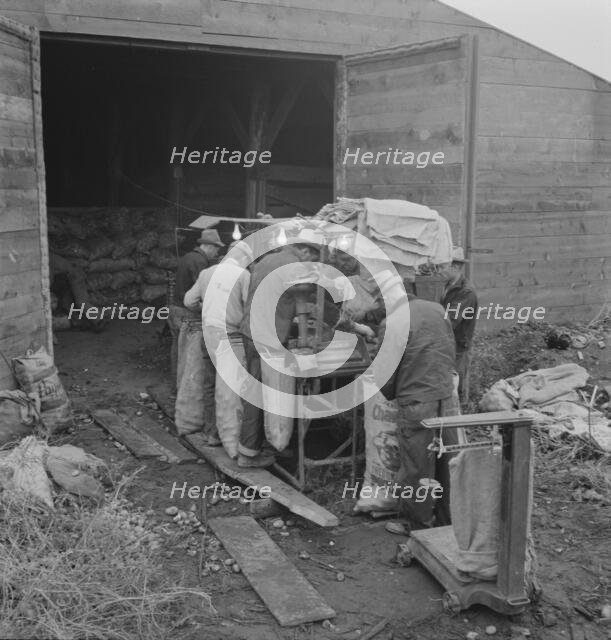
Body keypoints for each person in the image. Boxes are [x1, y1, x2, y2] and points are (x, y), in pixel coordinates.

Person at [372, 271, 458, 534]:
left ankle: (419, 526)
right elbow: (450, 347)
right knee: (447, 462)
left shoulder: (393, 322)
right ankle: (448, 521)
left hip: (417, 402)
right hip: (446, 397)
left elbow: (385, 372)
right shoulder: (437, 309)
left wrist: (387, 389)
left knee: (418, 466)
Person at [183, 240, 252, 446]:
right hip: (231, 337)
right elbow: (249, 307)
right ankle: (230, 437)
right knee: (230, 390)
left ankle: (211, 432)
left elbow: (188, 301)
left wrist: (206, 308)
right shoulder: (243, 275)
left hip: (208, 333)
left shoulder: (207, 272)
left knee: (211, 383)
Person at [167, 229, 224, 389]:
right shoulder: (199, 262)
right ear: (210, 246)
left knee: (177, 350)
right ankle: (188, 390)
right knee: (190, 353)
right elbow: (202, 291)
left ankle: (176, 387)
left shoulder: (188, 257)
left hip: (174, 308)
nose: (217, 252)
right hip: (187, 312)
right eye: (217, 248)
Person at [441, 248, 478, 404]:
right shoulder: (447, 285)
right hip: (448, 341)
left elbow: (451, 319)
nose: (440, 270)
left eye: (443, 266)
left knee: (458, 379)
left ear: (455, 267)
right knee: (449, 379)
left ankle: (463, 412)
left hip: (459, 343)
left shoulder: (466, 292)